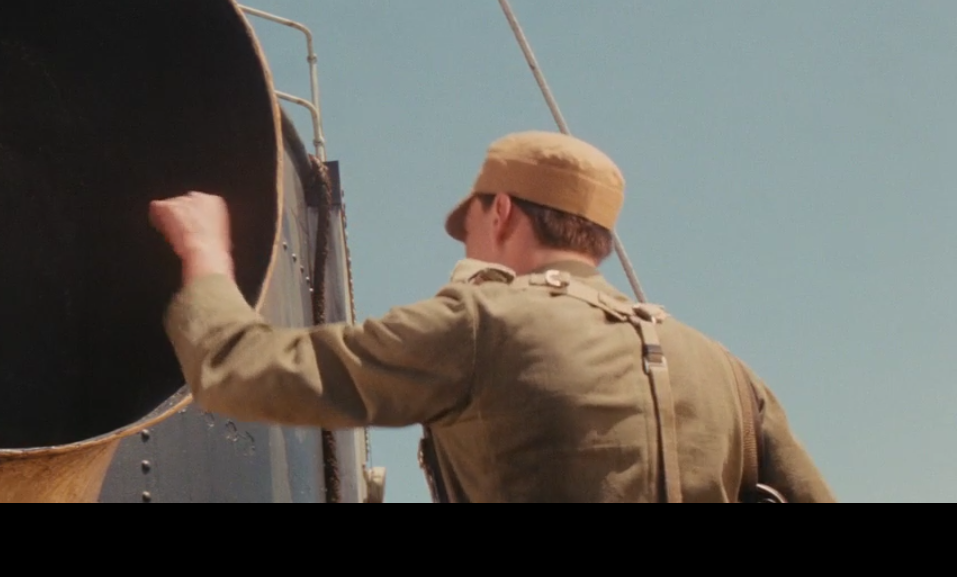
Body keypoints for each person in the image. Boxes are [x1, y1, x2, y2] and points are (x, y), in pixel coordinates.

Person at [148, 131, 834, 503]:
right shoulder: (731, 376)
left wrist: (205, 251)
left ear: (501, 212)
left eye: (470, 226)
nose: (467, 245)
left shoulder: (483, 324)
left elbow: (239, 371)